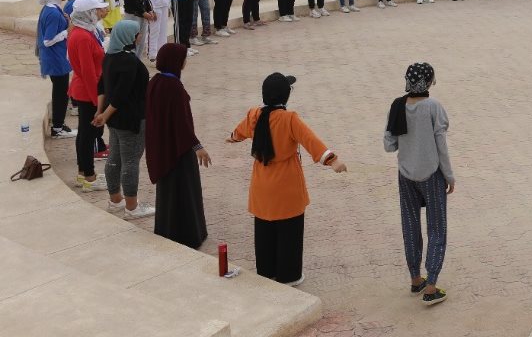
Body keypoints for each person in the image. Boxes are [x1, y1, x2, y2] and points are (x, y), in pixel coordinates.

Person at [227, 73, 347, 285]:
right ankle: (289, 275)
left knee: (264, 230)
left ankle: (266, 271)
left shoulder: (254, 115)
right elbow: (310, 140)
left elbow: (239, 132)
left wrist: (233, 138)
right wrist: (332, 160)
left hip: (262, 183)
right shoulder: (289, 119)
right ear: (286, 96)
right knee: (289, 232)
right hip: (287, 184)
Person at [384, 63, 455, 305]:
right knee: (437, 228)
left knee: (410, 226)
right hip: (432, 175)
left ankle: (416, 279)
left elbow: (389, 145)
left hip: (406, 175)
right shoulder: (434, 107)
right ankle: (431, 286)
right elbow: (441, 145)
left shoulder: (397, 105)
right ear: (429, 81)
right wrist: (449, 176)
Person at [145, 43, 211, 249]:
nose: (185, 62)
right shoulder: (174, 88)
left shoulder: (155, 81)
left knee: (169, 193)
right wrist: (197, 146)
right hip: (178, 150)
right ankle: (188, 235)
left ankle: (167, 231)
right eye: (183, 59)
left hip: (162, 147)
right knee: (185, 191)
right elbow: (182, 123)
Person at [95, 20, 155, 218]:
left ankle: (115, 200)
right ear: (129, 37)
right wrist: (104, 114)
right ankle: (132, 207)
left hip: (115, 119)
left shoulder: (109, 56)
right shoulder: (129, 61)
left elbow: (102, 85)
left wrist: (101, 112)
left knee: (115, 158)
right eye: (138, 34)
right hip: (130, 119)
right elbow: (121, 94)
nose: (140, 36)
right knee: (130, 161)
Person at [68, 0, 110, 190]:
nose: (101, 12)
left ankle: (83, 172)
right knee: (87, 136)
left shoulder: (84, 31)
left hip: (86, 90)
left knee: (85, 134)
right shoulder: (83, 36)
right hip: (87, 92)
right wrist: (98, 104)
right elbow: (88, 73)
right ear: (88, 13)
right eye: (98, 10)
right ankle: (89, 177)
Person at [36, 0, 76, 139]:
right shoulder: (52, 13)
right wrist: (67, 31)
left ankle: (59, 125)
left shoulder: (52, 8)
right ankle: (58, 128)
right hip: (55, 58)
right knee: (61, 94)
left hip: (57, 57)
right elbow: (47, 40)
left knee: (60, 92)